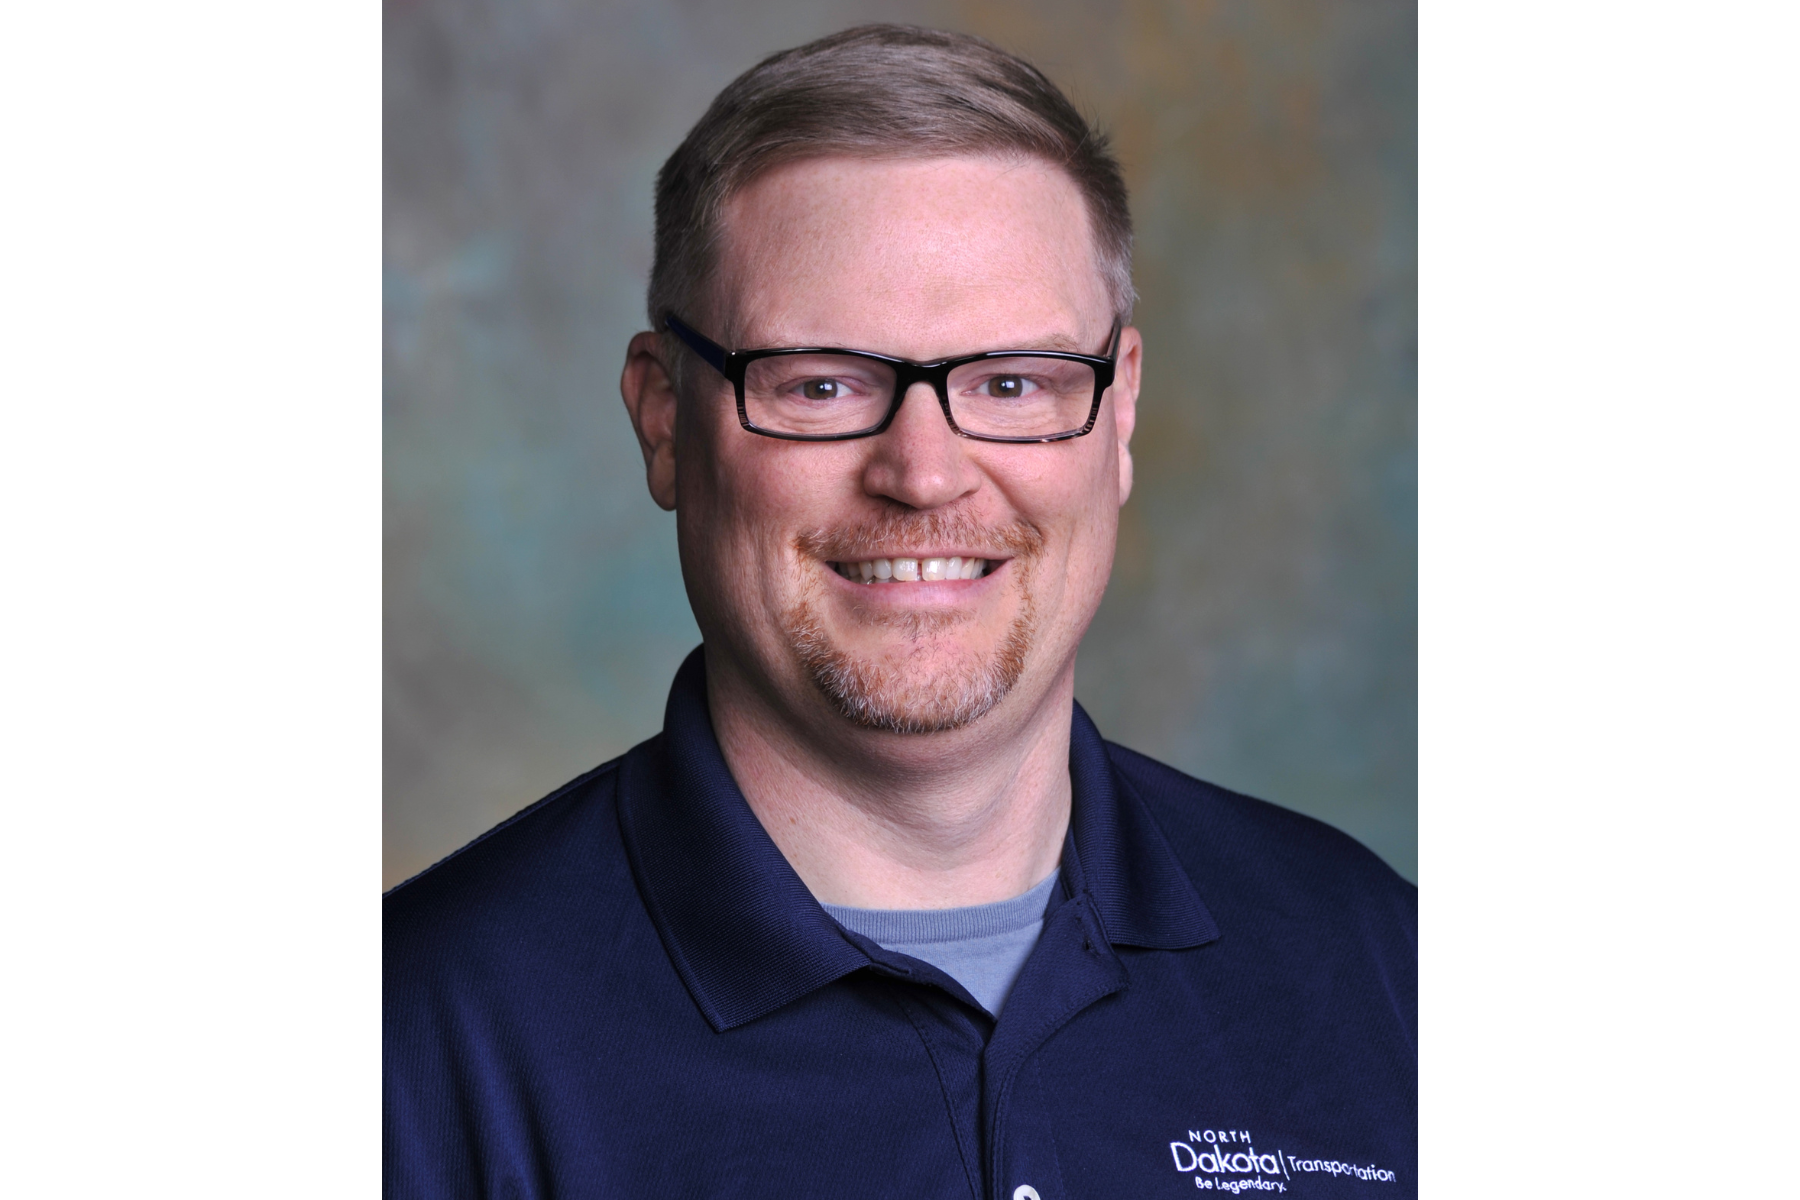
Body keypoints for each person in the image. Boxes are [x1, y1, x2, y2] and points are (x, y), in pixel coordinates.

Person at [384, 24, 1415, 1199]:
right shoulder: (415, 1053)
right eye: (822, 384)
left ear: (1119, 411)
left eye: (1012, 383)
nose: (924, 473)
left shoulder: (1379, 967)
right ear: (664, 419)